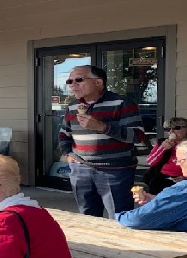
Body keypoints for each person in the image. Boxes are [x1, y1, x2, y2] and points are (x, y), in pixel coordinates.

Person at [58, 65, 145, 218]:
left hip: (115, 171)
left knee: (119, 217)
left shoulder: (122, 103)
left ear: (98, 82)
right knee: (87, 217)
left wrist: (102, 126)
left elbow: (137, 135)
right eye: (69, 81)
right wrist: (69, 154)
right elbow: (64, 134)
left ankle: (119, 242)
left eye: (79, 79)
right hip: (81, 170)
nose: (73, 84)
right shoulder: (72, 106)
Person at [141, 117, 187, 194]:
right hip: (164, 176)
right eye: (167, 129)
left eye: (176, 128)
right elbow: (150, 162)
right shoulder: (163, 142)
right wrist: (162, 148)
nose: (171, 132)